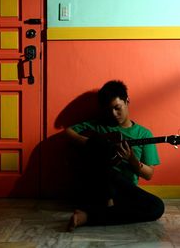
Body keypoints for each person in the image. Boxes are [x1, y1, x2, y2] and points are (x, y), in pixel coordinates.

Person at [65, 80, 165, 231]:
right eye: (108, 110)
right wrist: (89, 143)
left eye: (117, 108)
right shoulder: (99, 126)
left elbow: (149, 174)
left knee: (157, 207)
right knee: (99, 142)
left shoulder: (144, 134)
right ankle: (106, 202)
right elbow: (68, 132)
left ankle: (87, 216)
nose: (113, 114)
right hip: (97, 184)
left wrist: (131, 159)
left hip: (125, 188)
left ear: (127, 101)